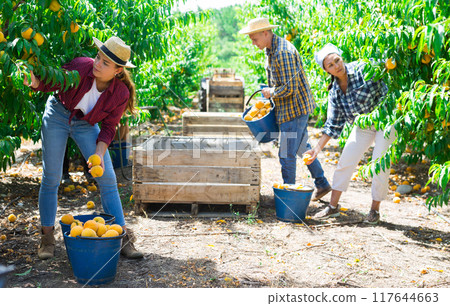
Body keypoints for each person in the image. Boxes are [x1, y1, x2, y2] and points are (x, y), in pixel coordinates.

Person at [24, 36, 143, 259]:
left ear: (118, 71)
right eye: (99, 57)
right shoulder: (81, 66)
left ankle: (122, 236)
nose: (97, 63)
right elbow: (51, 82)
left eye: (105, 63)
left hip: (85, 123)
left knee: (107, 177)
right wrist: (34, 82)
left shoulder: (120, 94)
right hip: (57, 114)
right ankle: (47, 237)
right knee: (51, 177)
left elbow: (109, 127)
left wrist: (98, 153)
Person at [239, 17, 331, 200]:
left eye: (254, 38)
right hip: (288, 107)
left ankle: (287, 197)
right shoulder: (270, 50)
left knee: (286, 153)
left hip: (294, 109)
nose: (252, 42)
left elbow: (290, 87)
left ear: (266, 33)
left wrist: (271, 92)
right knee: (300, 147)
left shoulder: (282, 53)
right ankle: (322, 183)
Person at [305, 43, 396, 224]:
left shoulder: (364, 68)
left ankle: (374, 210)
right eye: (330, 65)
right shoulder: (335, 92)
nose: (336, 66)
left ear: (341, 57)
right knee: (345, 161)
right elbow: (332, 125)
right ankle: (332, 207)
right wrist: (315, 150)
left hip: (385, 120)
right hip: (363, 125)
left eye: (337, 60)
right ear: (326, 70)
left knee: (380, 164)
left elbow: (387, 64)